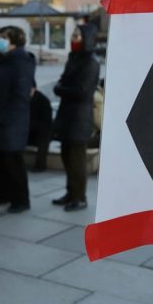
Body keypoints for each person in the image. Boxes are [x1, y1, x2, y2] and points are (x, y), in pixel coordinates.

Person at [0, 26, 35, 213]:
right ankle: (1, 193)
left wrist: (8, 117)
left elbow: (22, 93)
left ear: (14, 41)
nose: (0, 40)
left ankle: (21, 199)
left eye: (4, 37)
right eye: (0, 37)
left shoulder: (21, 61)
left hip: (12, 119)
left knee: (12, 160)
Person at [51, 27, 100, 212]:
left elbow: (81, 91)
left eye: (77, 35)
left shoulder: (90, 62)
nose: (73, 38)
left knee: (76, 159)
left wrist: (60, 89)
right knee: (66, 155)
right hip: (67, 114)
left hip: (80, 117)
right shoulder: (74, 58)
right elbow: (62, 81)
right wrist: (61, 87)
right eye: (72, 35)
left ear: (87, 39)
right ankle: (70, 193)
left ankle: (80, 197)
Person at [27, 80, 53, 172]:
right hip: (29, 131)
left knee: (44, 136)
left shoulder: (43, 101)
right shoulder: (24, 99)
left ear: (35, 89)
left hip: (41, 131)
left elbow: (46, 123)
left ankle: (40, 165)